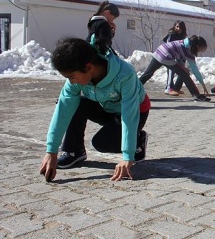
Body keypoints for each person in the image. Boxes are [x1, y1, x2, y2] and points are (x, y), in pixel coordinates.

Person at [39, 37, 151, 182]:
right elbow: (63, 109)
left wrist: (127, 157)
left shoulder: (125, 74)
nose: (71, 82)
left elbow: (129, 114)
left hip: (135, 111)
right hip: (106, 107)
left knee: (101, 143)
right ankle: (74, 151)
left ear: (89, 67)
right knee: (75, 103)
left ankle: (138, 140)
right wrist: (51, 151)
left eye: (72, 77)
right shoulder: (77, 78)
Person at [138, 35, 211, 102]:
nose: (201, 51)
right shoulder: (189, 51)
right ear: (197, 46)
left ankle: (132, 88)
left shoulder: (184, 42)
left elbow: (177, 56)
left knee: (148, 73)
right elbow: (195, 71)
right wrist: (203, 85)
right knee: (184, 75)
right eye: (202, 48)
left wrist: (182, 67)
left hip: (160, 50)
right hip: (167, 56)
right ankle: (196, 95)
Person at [162, 20, 188, 96]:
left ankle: (176, 88)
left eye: (180, 27)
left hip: (180, 57)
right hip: (170, 56)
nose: (178, 28)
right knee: (171, 71)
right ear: (174, 27)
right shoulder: (171, 35)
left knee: (183, 72)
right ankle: (168, 88)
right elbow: (168, 45)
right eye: (177, 26)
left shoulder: (183, 36)